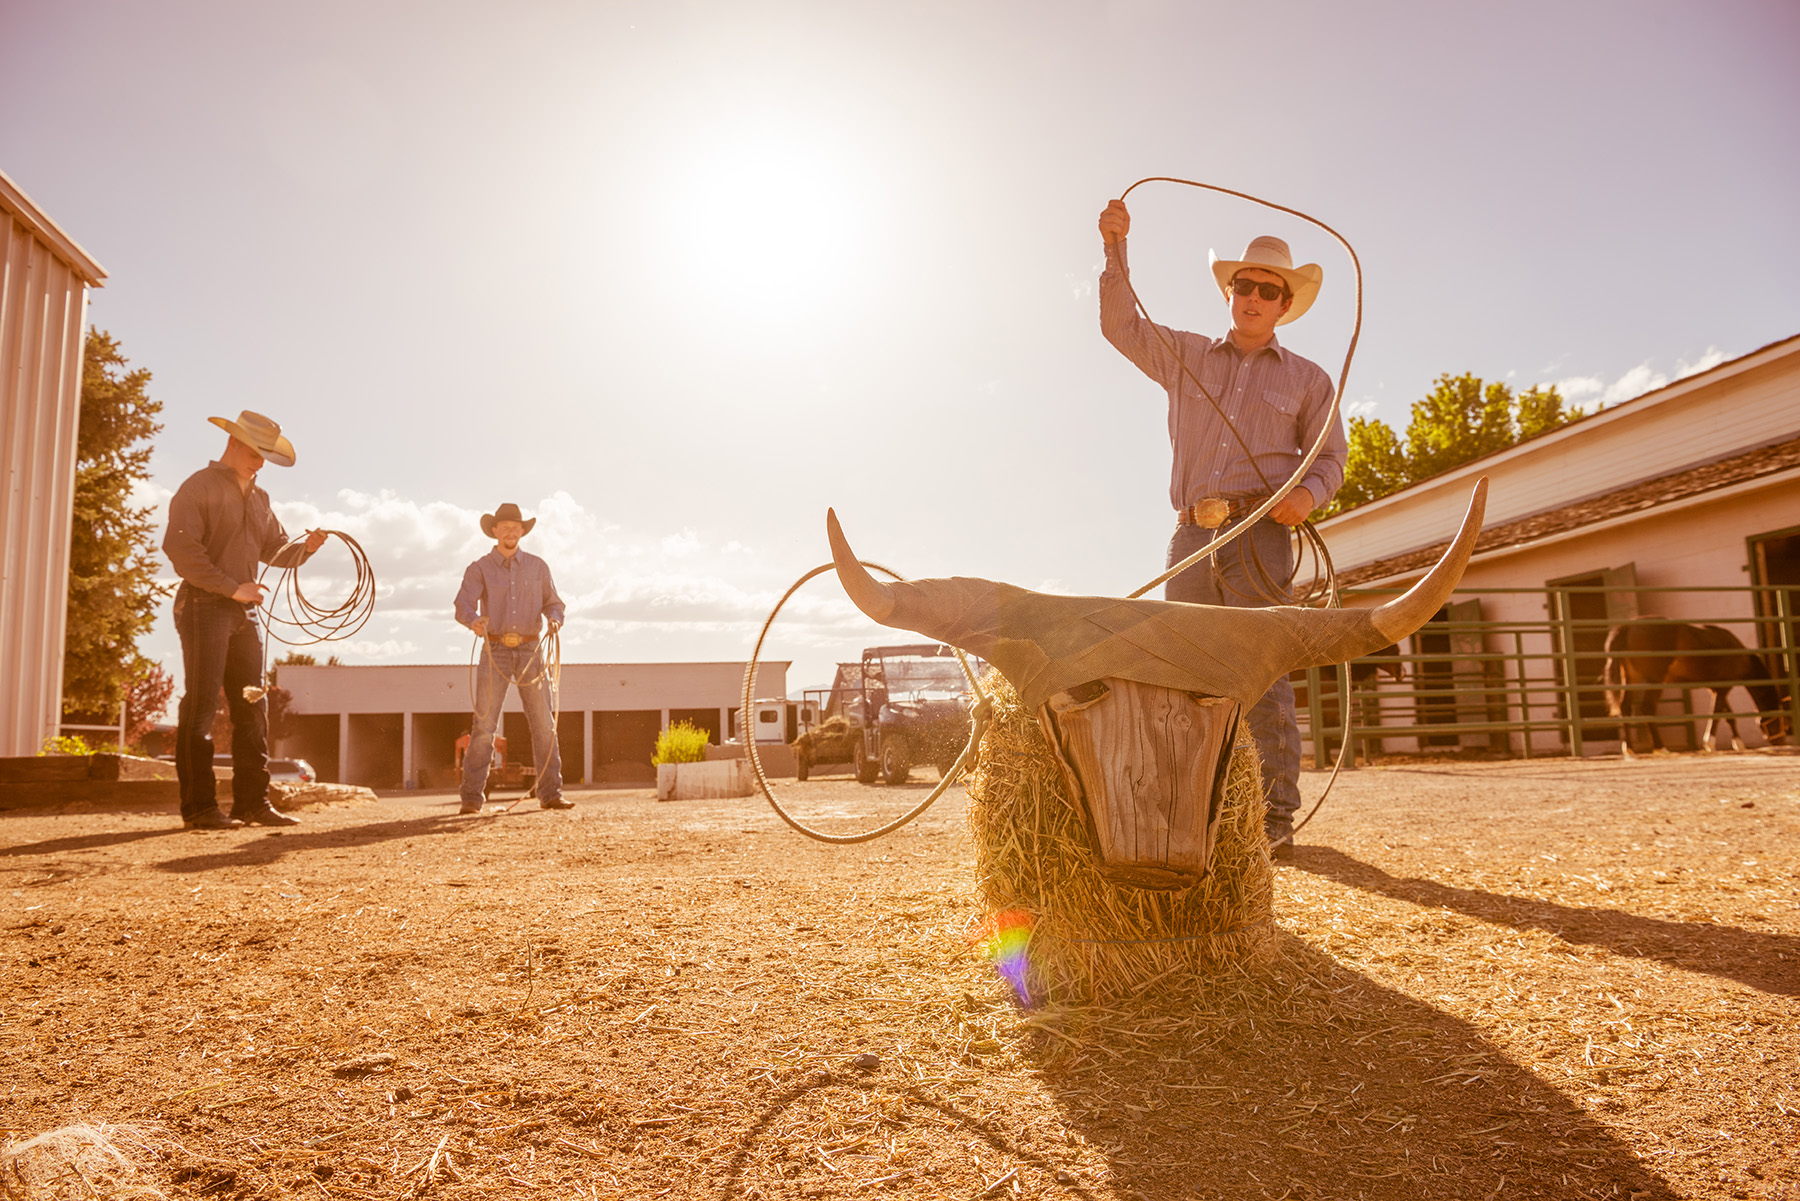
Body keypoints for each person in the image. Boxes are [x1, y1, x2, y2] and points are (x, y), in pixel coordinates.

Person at [1097, 199, 1346, 859]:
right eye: (1245, 285)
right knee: (1182, 670)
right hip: (1190, 535)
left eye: (1269, 289)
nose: (1255, 297)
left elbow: (1330, 459)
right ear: (1230, 292)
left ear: (1285, 304)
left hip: (1260, 536)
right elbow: (1121, 325)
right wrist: (1115, 248)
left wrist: (1307, 495)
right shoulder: (1185, 355)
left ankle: (1273, 818)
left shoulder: (1310, 380)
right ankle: (1189, 811)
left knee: (1259, 671)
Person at [163, 411, 327, 830]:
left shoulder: (260, 498)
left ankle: (252, 803)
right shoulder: (197, 487)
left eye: (265, 457)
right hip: (203, 605)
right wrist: (232, 588)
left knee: (253, 707)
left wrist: (306, 548)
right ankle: (199, 808)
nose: (260, 464)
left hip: (243, 611)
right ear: (233, 443)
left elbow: (276, 550)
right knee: (201, 705)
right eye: (255, 454)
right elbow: (181, 551)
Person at [453, 503, 573, 814]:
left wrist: (554, 618)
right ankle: (471, 799)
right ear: (494, 531)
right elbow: (463, 605)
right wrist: (474, 621)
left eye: (515, 527)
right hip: (495, 650)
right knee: (484, 725)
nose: (510, 532)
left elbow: (554, 603)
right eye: (505, 527)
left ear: (522, 531)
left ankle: (551, 794)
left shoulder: (538, 567)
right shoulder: (479, 568)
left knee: (544, 724)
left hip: (532, 650)